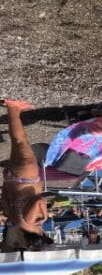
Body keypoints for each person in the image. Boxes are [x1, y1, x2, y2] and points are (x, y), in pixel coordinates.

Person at [1, 99, 53, 251]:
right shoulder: (18, 222)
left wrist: (44, 215)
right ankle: (15, 111)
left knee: (20, 141)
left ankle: (12, 106)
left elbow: (39, 200)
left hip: (25, 176)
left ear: (41, 234)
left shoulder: (31, 222)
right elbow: (4, 199)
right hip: (13, 178)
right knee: (18, 142)